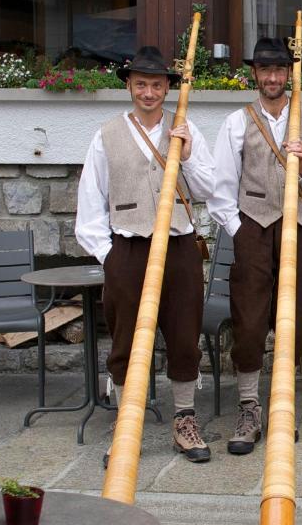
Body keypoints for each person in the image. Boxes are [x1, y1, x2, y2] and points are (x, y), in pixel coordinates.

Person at [75, 46, 215, 464]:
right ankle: (127, 427)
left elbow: (209, 190)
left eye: (156, 84)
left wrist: (187, 155)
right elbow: (90, 203)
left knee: (184, 337)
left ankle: (185, 421)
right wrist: (110, 256)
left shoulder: (186, 129)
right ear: (129, 87)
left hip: (178, 248)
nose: (149, 92)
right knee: (125, 341)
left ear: (168, 88)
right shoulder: (107, 134)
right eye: (141, 84)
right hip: (129, 249)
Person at [208, 37, 302, 454]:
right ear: (254, 74)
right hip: (253, 228)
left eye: (279, 70)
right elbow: (220, 188)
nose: (272, 77)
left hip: (299, 227)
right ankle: (249, 407)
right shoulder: (237, 121)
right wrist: (239, 230)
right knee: (248, 321)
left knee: (295, 319)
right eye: (265, 70)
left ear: (290, 74)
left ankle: (283, 404)